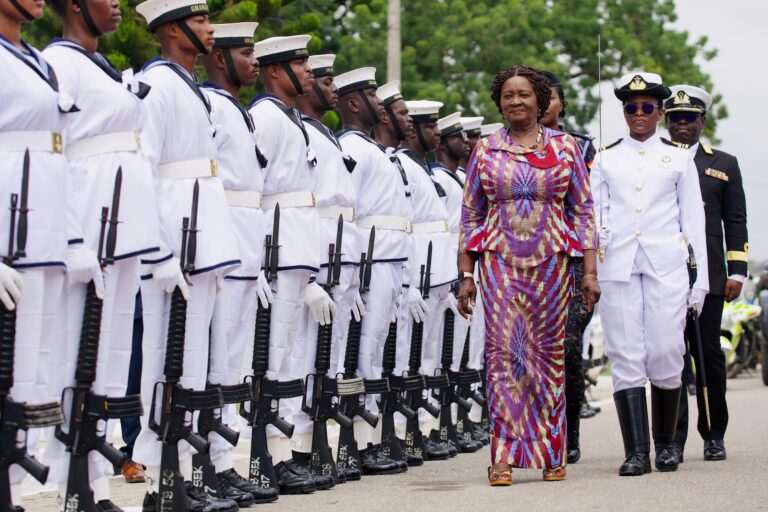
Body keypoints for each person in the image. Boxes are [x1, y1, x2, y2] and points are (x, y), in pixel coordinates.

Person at [42, 0, 163, 507]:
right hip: (90, 221)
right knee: (77, 356)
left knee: (107, 360)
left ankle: (90, 484)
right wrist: (71, 236)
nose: (115, 3)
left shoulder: (98, 64)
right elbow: (57, 155)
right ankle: (73, 485)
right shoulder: (59, 63)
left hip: (121, 226)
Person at [457, 65, 599, 486]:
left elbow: (583, 209)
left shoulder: (567, 147)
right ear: (499, 103)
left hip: (553, 265)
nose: (515, 101)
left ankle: (552, 452)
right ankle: (503, 454)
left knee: (548, 357)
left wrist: (589, 271)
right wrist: (466, 272)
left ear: (540, 99)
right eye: (507, 95)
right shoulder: (485, 149)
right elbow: (470, 212)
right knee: (506, 355)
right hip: (500, 263)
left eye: (523, 94)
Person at [133, 0, 242, 509]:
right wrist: (157, 250)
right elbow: (144, 168)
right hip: (175, 241)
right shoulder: (157, 84)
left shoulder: (190, 89)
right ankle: (160, 481)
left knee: (193, 364)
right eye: (200, 21)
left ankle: (187, 474)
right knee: (164, 361)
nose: (210, 28)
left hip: (202, 242)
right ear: (173, 29)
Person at [592, 72, 708, 476]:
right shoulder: (605, 157)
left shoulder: (678, 157)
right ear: (623, 112)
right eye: (630, 108)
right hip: (618, 263)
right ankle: (637, 452)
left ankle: (668, 445)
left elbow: (693, 221)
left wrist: (701, 282)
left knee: (666, 352)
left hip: (666, 265)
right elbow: (594, 215)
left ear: (659, 111)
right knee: (626, 355)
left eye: (646, 107)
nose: (638, 114)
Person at [248, 34, 335, 494]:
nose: (309, 73)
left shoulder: (293, 119)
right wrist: (260, 261)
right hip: (276, 253)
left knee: (291, 361)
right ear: (276, 70)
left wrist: (314, 270)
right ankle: (264, 458)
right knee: (269, 360)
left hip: (298, 255)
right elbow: (256, 192)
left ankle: (283, 456)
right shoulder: (265, 117)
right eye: (299, 65)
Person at [0, 0, 79, 507]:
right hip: (8, 234)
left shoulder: (35, 60)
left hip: (42, 234)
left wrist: (72, 236)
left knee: (31, 371)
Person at [200, 22, 276, 505]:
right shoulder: (210, 104)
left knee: (233, 365)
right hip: (221, 245)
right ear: (220, 57)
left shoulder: (237, 111)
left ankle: (222, 463)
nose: (253, 63)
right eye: (245, 54)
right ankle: (200, 464)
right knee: (209, 363)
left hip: (247, 249)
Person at [664, 85, 748, 462]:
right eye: (675, 118)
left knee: (707, 354)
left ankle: (714, 433)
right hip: (665, 273)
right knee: (671, 357)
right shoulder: (658, 159)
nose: (682, 125)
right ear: (666, 122)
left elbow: (735, 221)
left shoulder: (723, 163)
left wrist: (739, 272)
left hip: (710, 275)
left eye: (689, 118)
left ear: (702, 121)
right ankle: (672, 439)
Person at [293, 55, 366, 480]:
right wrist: (307, 276)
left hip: (341, 257)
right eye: (322, 79)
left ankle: (316, 446)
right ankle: (299, 450)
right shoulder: (299, 130)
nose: (331, 87)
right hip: (315, 255)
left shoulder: (324, 135)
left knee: (329, 359)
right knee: (304, 359)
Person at [539, 70, 596, 464]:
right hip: (524, 261)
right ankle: (531, 431)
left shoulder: (582, 148)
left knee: (568, 347)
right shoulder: (503, 146)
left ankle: (568, 430)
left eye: (550, 97)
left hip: (572, 264)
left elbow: (590, 208)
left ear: (562, 103)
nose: (542, 104)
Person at [397, 100, 459, 456]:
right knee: (411, 355)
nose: (436, 132)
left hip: (437, 275)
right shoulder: (402, 165)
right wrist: (409, 282)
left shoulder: (424, 169)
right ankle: (409, 432)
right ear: (413, 129)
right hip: (418, 274)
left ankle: (422, 430)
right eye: (430, 126)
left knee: (431, 355)